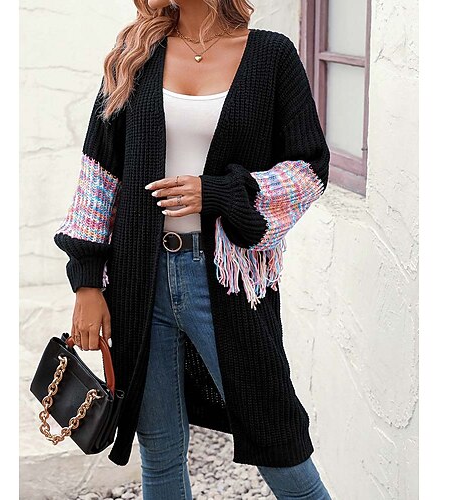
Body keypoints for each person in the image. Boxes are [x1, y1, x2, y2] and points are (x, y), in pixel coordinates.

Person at [53, 0, 332, 498]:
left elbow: (309, 168)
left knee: (278, 440)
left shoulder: (272, 56)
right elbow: (99, 176)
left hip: (226, 277)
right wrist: (88, 283)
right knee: (159, 454)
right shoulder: (135, 53)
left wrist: (220, 193)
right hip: (139, 280)